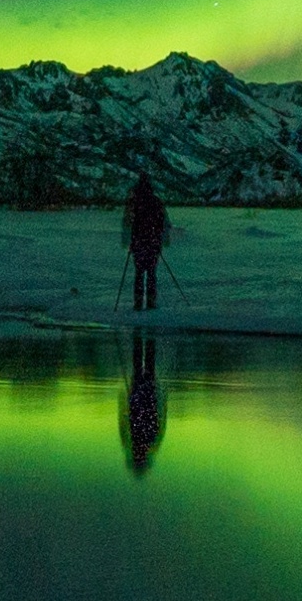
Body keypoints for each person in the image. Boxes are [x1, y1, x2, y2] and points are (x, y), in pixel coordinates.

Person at [119, 333, 166, 475]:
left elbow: (127, 420)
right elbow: (157, 422)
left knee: (141, 367)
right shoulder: (145, 442)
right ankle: (143, 341)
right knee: (145, 367)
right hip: (144, 400)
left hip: (141, 400)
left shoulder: (135, 441)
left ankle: (140, 340)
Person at [123, 170, 168, 311]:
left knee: (139, 272)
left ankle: (137, 301)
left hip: (138, 241)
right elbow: (162, 222)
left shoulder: (134, 202)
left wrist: (128, 240)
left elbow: (127, 222)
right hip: (152, 241)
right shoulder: (156, 201)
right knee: (151, 272)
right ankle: (151, 301)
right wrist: (161, 239)